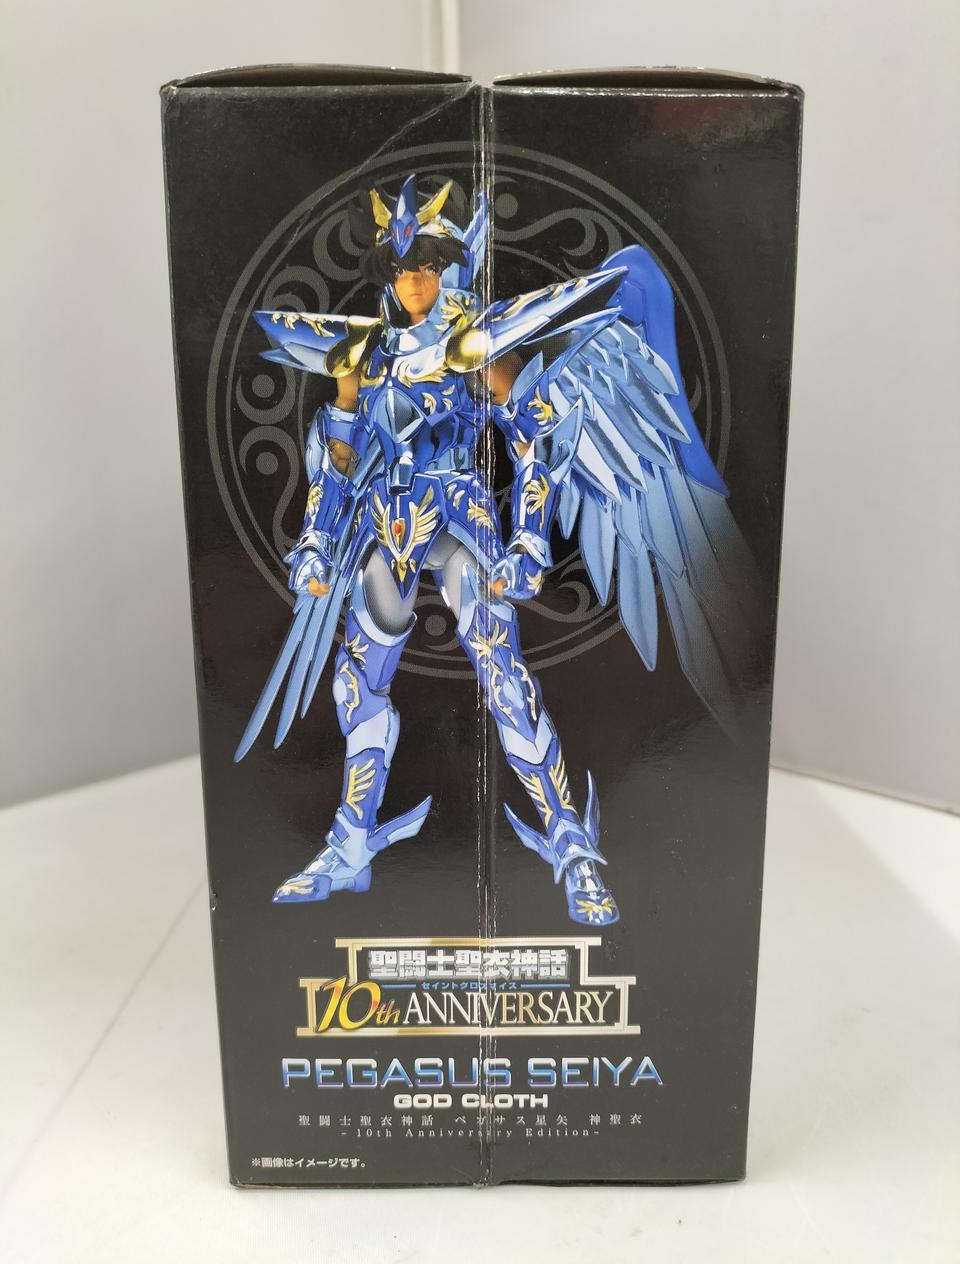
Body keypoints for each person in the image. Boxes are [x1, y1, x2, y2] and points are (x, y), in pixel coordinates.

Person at [236, 175, 742, 926]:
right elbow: (339, 450)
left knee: (503, 677)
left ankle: (572, 847)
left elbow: (531, 436)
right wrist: (316, 538)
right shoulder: (360, 352)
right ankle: (350, 846)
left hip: (461, 525)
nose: (414, 282)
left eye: (426, 266)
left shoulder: (471, 343)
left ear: (446, 268)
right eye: (402, 268)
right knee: (356, 683)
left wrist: (529, 538)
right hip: (386, 526)